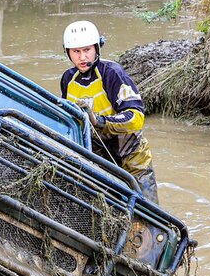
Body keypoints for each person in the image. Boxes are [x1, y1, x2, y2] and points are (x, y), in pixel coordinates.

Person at [60, 20, 159, 202]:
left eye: (87, 50)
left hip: (132, 158)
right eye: (76, 51)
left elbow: (136, 117)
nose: (82, 57)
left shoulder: (112, 73)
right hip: (100, 160)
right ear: (68, 52)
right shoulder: (68, 79)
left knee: (148, 212)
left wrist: (99, 121)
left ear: (97, 48)